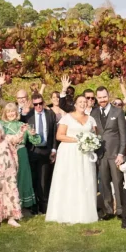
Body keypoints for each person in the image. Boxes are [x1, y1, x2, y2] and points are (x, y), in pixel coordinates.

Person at [46, 95, 99, 224]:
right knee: (70, 180)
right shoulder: (67, 118)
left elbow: (95, 135)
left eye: (85, 102)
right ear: (75, 104)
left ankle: (84, 212)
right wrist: (78, 140)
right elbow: (59, 136)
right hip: (69, 153)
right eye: (80, 102)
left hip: (85, 154)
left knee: (84, 180)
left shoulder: (91, 119)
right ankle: (66, 211)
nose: (83, 104)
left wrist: (91, 142)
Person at [92, 86, 126, 220]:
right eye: (99, 98)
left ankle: (121, 210)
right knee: (104, 183)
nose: (102, 100)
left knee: (118, 182)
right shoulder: (93, 113)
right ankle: (108, 210)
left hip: (115, 154)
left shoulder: (118, 112)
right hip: (101, 154)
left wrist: (121, 153)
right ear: (96, 98)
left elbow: (123, 135)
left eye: (104, 97)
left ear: (109, 96)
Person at [0, 102, 41, 213]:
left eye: (13, 111)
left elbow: (36, 141)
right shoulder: (1, 125)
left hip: (21, 152)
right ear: (5, 113)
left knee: (22, 177)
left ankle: (21, 206)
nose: (11, 113)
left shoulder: (23, 125)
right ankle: (8, 206)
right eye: (8, 111)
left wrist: (33, 134)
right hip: (7, 153)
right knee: (9, 178)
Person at [22, 93, 57, 214]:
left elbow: (53, 133)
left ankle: (44, 205)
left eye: (40, 103)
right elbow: (19, 126)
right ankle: (33, 206)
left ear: (43, 102)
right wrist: (23, 113)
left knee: (44, 179)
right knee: (32, 178)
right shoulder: (28, 115)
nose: (38, 106)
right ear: (33, 104)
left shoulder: (50, 114)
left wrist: (53, 150)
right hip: (32, 150)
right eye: (35, 104)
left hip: (45, 150)